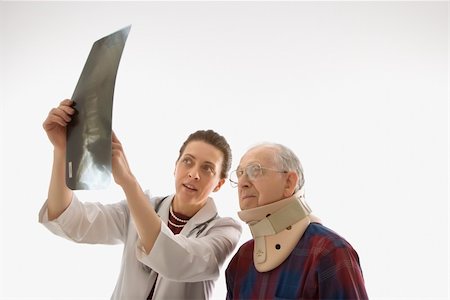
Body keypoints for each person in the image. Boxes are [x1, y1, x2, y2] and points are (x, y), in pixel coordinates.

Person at [39, 99, 242, 299]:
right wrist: (62, 150)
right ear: (175, 166)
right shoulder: (140, 208)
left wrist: (128, 182)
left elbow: (177, 261)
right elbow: (69, 219)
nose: (193, 174)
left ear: (219, 184)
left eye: (207, 168)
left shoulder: (225, 230)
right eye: (187, 161)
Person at [225, 142, 368, 299]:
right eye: (240, 174)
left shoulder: (330, 251)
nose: (243, 183)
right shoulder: (242, 259)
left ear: (289, 183)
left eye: (255, 171)